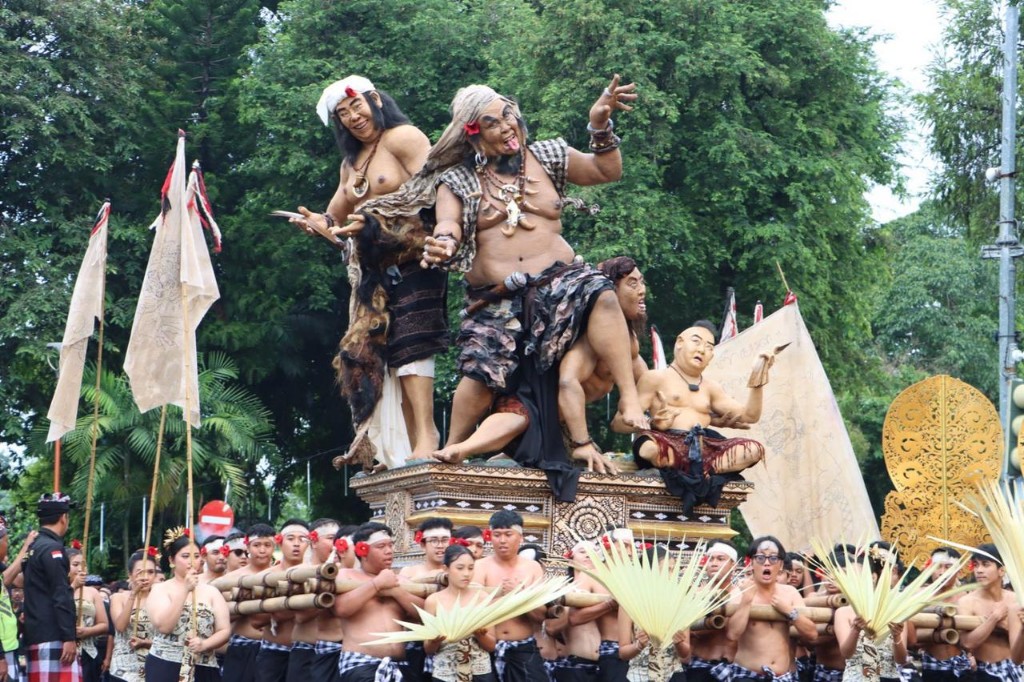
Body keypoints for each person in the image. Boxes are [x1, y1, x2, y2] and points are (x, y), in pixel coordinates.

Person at [366, 75, 644, 500]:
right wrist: (442, 244)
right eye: (493, 122)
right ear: (473, 135)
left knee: (603, 293)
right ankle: (449, 452)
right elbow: (447, 226)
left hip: (559, 282)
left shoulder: (550, 155)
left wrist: (600, 125)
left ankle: (630, 402)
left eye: (509, 115)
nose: (507, 126)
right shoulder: (457, 181)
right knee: (479, 376)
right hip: (497, 299)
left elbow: (606, 170)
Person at [294, 75, 445, 466]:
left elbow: (437, 192)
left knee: (413, 346)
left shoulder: (404, 138)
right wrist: (318, 225)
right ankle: (398, 447)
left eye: (356, 106)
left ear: (375, 100)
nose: (352, 117)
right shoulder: (351, 164)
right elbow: (336, 221)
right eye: (343, 114)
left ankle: (426, 437)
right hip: (371, 276)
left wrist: (438, 237)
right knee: (375, 356)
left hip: (415, 257)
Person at [431, 257, 648, 475]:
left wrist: (652, 423)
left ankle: (503, 453)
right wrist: (582, 443)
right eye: (632, 283)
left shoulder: (630, 352)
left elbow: (638, 402)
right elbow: (567, 381)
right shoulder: (589, 343)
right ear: (610, 290)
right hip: (537, 412)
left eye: (641, 282)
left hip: (560, 430)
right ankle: (461, 448)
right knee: (519, 418)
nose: (642, 290)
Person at [614, 321, 768, 513]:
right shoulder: (655, 378)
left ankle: (694, 469)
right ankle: (694, 468)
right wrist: (651, 423)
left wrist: (758, 380)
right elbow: (617, 424)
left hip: (703, 446)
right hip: (666, 441)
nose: (702, 350)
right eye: (696, 342)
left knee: (753, 450)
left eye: (709, 347)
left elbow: (749, 416)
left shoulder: (711, 388)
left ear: (712, 356)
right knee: (649, 450)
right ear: (679, 342)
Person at [332, 522, 423, 681]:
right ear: (363, 550)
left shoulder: (400, 581)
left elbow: (425, 615)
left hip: (400, 665)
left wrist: (397, 592)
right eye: (381, 546)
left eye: (390, 545)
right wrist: (376, 584)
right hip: (360, 664)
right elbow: (341, 609)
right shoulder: (346, 576)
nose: (389, 551)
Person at [723, 536, 816, 680]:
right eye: (760, 558)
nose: (767, 563)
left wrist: (789, 611)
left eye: (773, 558)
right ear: (751, 563)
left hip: (784, 676)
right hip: (748, 676)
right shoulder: (740, 593)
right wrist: (747, 600)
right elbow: (732, 635)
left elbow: (812, 634)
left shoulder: (790, 593)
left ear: (780, 565)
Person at [145, 528, 231, 681]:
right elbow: (164, 626)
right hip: (166, 665)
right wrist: (185, 590)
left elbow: (224, 630)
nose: (192, 561)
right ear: (172, 560)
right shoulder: (160, 589)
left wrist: (205, 644)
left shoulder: (212, 591)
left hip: (204, 666)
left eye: (196, 556)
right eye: (185, 556)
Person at [471, 511, 547, 681]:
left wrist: (519, 594)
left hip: (523, 647)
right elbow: (472, 608)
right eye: (497, 535)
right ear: (490, 537)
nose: (502, 540)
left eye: (508, 534)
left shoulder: (532, 568)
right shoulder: (480, 567)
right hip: (485, 646)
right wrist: (505, 597)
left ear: (520, 537)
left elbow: (541, 616)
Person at [23, 491, 80, 680]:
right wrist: (69, 637)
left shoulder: (34, 547)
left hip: (37, 634)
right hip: (53, 637)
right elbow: (60, 594)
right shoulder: (52, 548)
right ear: (64, 518)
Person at [424, 544, 497, 682]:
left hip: (480, 674)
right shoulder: (433, 601)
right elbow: (428, 649)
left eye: (471, 568)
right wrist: (434, 641)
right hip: (445, 674)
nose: (466, 573)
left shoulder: (481, 598)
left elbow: (491, 646)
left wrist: (480, 635)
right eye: (460, 568)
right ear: (446, 569)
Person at [956, 544, 1024, 681]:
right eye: (976, 565)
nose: (979, 570)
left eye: (985, 565)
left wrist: (1006, 626)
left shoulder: (1016, 600)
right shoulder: (967, 602)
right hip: (984, 672)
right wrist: (994, 618)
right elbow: (967, 643)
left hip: (1016, 669)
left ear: (1001, 571)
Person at [254, 520, 310, 682]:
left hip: (308, 653)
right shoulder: (264, 577)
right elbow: (256, 621)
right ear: (279, 542)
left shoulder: (318, 575)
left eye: (303, 539)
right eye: (291, 538)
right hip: (273, 652)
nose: (297, 544)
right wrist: (281, 611)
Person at [222, 524, 277, 682]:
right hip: (242, 646)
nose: (262, 550)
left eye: (267, 545)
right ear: (247, 547)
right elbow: (222, 617)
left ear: (274, 546)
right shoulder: (231, 579)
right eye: (257, 545)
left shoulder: (283, 575)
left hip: (274, 649)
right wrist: (245, 603)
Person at [687, 540, 740, 681]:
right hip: (697, 667)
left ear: (733, 565)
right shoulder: (694, 594)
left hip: (729, 668)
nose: (713, 563)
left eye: (720, 559)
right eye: (710, 559)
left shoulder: (740, 595)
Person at [917, 548, 970, 681]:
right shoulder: (918, 596)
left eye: (948, 567)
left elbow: (970, 638)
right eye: (937, 567)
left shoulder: (966, 599)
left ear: (958, 570)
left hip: (961, 665)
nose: (942, 572)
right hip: (930, 665)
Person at [109, 549, 157, 682]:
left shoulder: (161, 599)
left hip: (153, 667)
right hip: (123, 671)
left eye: (150, 572)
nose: (145, 577)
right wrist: (133, 595)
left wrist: (146, 643)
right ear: (130, 575)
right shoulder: (118, 598)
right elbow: (120, 626)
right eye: (140, 572)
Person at [67, 547, 109, 682]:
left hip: (88, 653)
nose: (80, 569)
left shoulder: (92, 592)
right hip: (64, 652)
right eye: (75, 565)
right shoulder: (57, 590)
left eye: (83, 565)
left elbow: (104, 625)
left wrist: (87, 631)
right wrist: (73, 586)